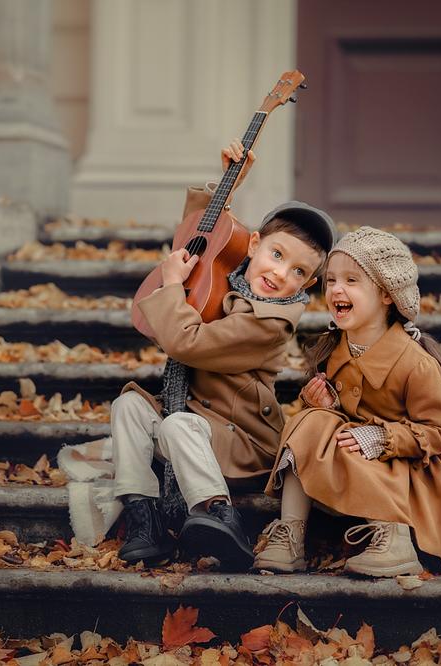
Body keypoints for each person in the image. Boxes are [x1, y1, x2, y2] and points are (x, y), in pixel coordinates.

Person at [111, 141, 336, 571]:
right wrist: (229, 184)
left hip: (243, 441)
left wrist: (173, 286)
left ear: (305, 286)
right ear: (253, 244)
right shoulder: (227, 279)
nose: (280, 274)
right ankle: (145, 519)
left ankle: (220, 516)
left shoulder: (271, 321)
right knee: (128, 408)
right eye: (276, 254)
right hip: (197, 427)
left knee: (177, 425)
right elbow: (200, 241)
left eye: (298, 273)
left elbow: (187, 342)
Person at [253, 227, 441, 575]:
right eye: (330, 280)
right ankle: (290, 535)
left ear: (388, 295)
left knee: (350, 441)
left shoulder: (416, 363)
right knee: (309, 421)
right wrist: (318, 403)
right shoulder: (332, 350)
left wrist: (383, 438)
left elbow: (439, 433)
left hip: (411, 466)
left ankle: (393, 538)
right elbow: (331, 424)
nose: (336, 290)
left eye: (351, 280)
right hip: (356, 455)